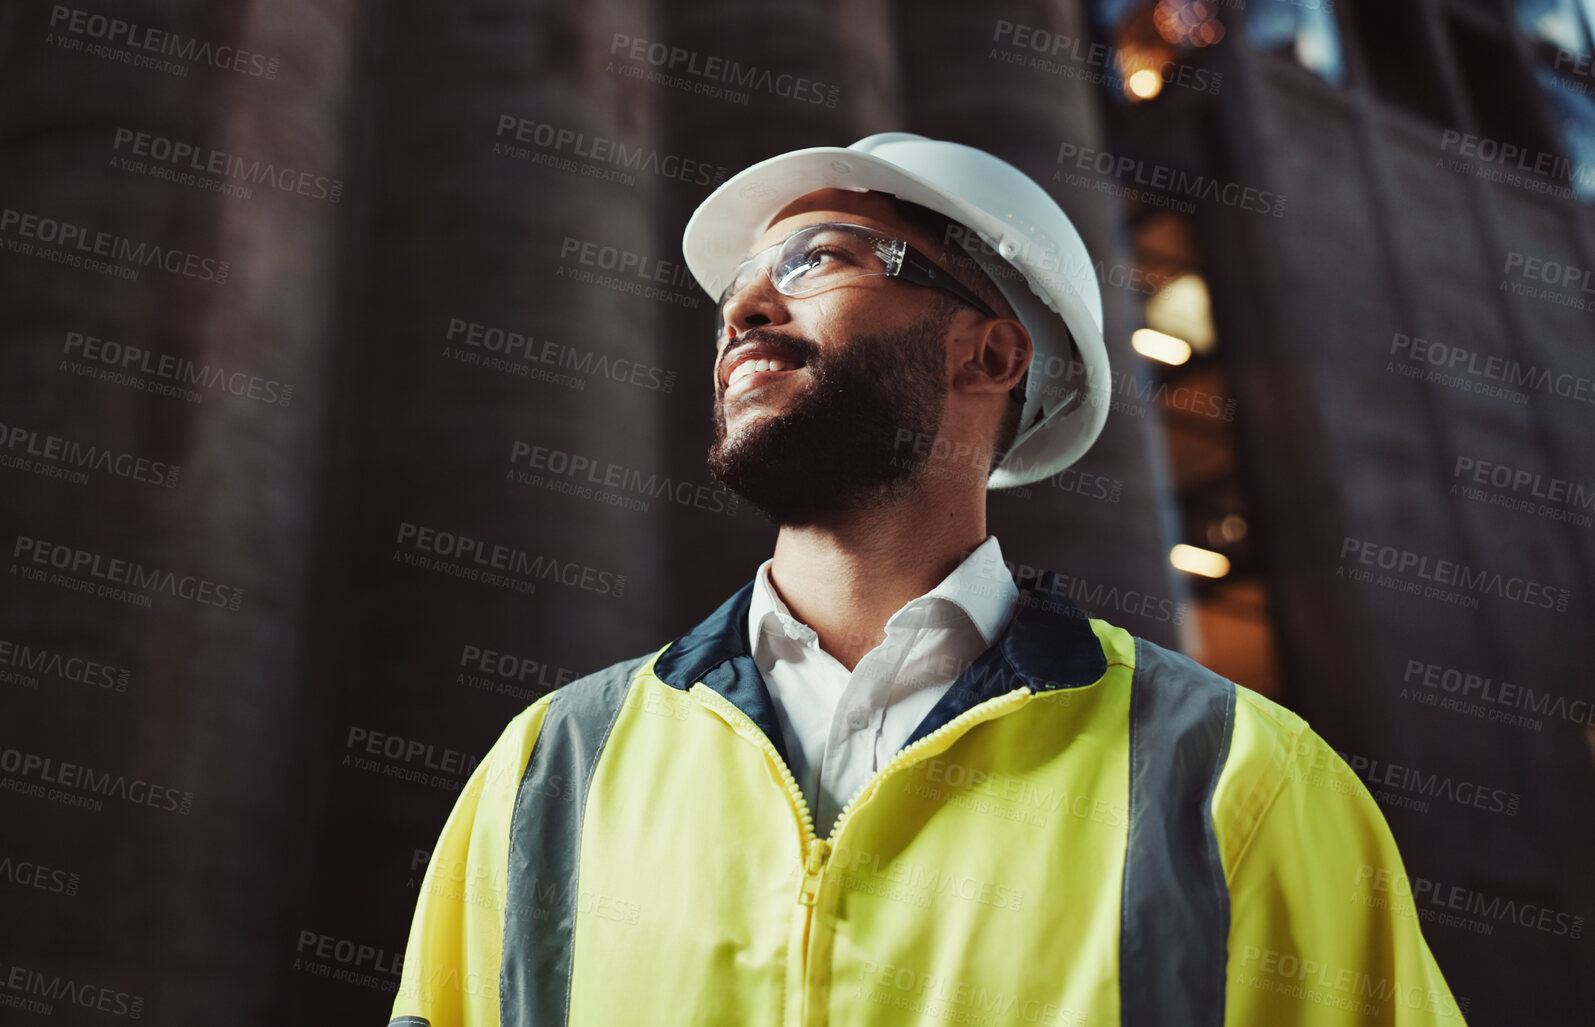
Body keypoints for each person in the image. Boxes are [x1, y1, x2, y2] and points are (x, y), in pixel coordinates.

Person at [389, 133, 1465, 1026]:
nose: (746, 308)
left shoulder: (1238, 781)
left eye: (815, 260)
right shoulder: (546, 772)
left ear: (991, 356)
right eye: (739, 285)